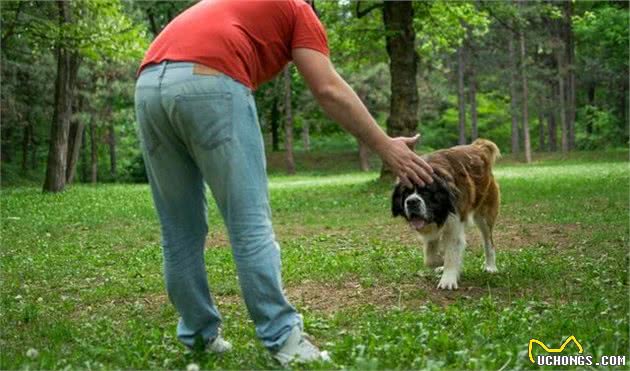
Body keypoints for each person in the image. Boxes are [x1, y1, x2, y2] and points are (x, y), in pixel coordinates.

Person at [134, 0, 433, 365]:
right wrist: (385, 145)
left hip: (148, 85)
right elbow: (327, 88)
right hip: (210, 81)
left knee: (179, 229)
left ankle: (198, 335)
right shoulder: (297, 9)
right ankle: (284, 339)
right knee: (249, 224)